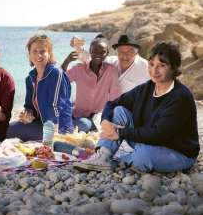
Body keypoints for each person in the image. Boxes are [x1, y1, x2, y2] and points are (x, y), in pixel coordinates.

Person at [74, 42, 199, 173]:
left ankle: (120, 159)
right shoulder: (147, 88)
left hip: (177, 151)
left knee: (143, 155)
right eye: (151, 64)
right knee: (118, 111)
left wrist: (120, 132)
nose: (154, 70)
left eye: (162, 65)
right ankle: (103, 155)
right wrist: (105, 121)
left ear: (173, 68)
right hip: (147, 141)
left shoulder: (180, 96)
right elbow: (112, 103)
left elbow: (159, 134)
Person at [6, 34, 73, 141]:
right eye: (35, 51)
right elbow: (29, 106)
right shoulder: (30, 78)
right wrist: (28, 115)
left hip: (58, 127)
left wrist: (50, 136)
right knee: (9, 129)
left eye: (42, 51)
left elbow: (55, 106)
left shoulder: (56, 73)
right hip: (40, 123)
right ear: (29, 55)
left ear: (49, 54)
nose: (39, 55)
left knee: (15, 134)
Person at [61, 35, 121, 132]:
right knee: (80, 122)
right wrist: (67, 61)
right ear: (90, 51)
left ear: (107, 53)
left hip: (96, 119)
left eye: (102, 52)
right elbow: (60, 81)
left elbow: (115, 97)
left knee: (83, 124)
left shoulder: (111, 71)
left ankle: (65, 129)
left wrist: (108, 118)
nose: (98, 54)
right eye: (95, 51)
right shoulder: (79, 69)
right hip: (77, 114)